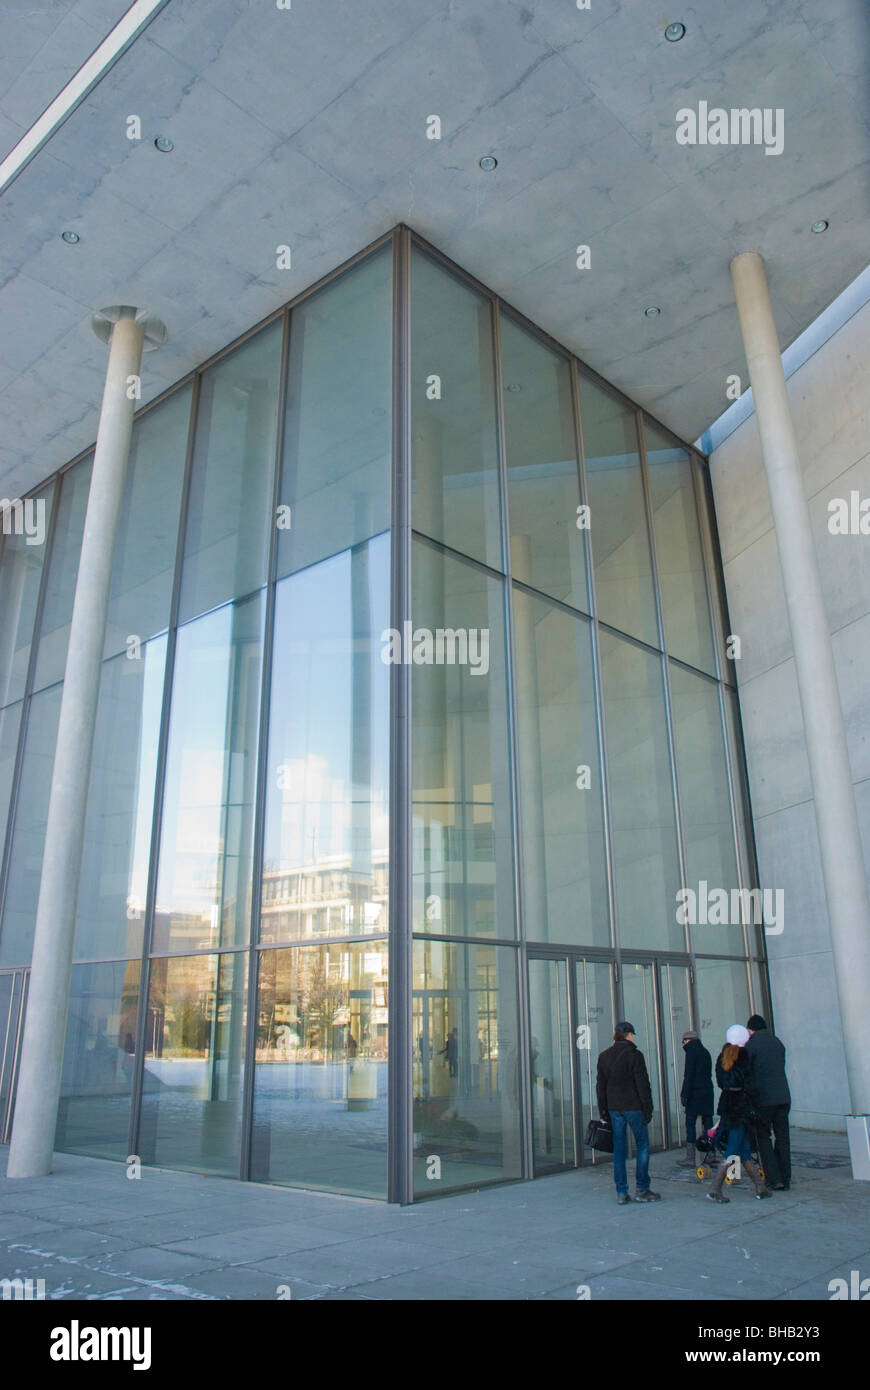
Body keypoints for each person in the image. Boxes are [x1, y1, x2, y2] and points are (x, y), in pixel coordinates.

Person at [596, 1021, 660, 1205]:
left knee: (619, 1149)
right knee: (642, 1145)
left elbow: (600, 1086)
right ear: (629, 1035)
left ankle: (621, 1192)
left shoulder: (604, 1056)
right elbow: (643, 1084)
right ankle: (642, 1188)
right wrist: (648, 1108)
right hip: (634, 1106)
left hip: (614, 1108)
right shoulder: (635, 1055)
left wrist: (603, 1110)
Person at [707, 1024, 771, 1203]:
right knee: (733, 1148)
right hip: (742, 1107)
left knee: (743, 1149)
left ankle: (760, 1186)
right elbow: (751, 1084)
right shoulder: (745, 1057)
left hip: (728, 1104)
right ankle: (715, 1188)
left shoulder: (722, 1057)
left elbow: (720, 1081)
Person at [744, 1014, 792, 1190]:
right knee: (783, 1138)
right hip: (783, 1097)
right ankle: (786, 1177)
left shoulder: (751, 1046)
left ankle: (774, 1178)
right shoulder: (777, 1042)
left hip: (763, 1099)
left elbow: (748, 1074)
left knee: (763, 1137)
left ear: (751, 1029)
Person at [680, 1029, 713, 1166]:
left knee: (690, 1123)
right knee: (708, 1123)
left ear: (688, 1040)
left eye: (684, 1041)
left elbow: (689, 1075)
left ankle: (690, 1157)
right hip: (707, 1091)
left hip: (694, 1092)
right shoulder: (705, 1052)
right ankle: (711, 1154)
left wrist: (684, 1094)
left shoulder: (691, 1053)